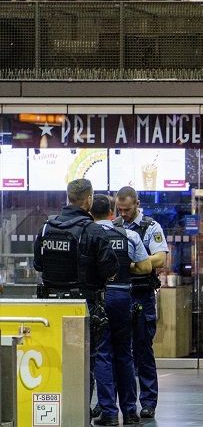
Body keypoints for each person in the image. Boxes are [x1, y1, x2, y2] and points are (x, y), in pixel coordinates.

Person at [33, 179, 119, 418]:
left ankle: (52, 414)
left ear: (68, 197)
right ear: (88, 199)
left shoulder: (46, 228)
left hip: (49, 308)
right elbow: (110, 269)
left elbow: (38, 264)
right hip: (83, 307)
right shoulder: (93, 231)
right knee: (84, 363)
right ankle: (79, 415)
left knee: (52, 360)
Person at [90, 195, 152, 426]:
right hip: (123, 296)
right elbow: (146, 267)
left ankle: (108, 413)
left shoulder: (87, 234)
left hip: (99, 297)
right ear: (111, 212)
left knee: (103, 355)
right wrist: (127, 268)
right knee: (125, 354)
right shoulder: (129, 234)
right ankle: (130, 413)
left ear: (90, 213)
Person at [114, 186, 169, 419]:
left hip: (141, 295)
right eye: (120, 209)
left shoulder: (150, 226)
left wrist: (136, 262)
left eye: (127, 209)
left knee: (143, 350)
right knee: (119, 351)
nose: (124, 214)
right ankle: (120, 402)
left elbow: (160, 259)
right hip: (118, 294)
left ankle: (148, 402)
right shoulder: (114, 226)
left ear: (137, 203)